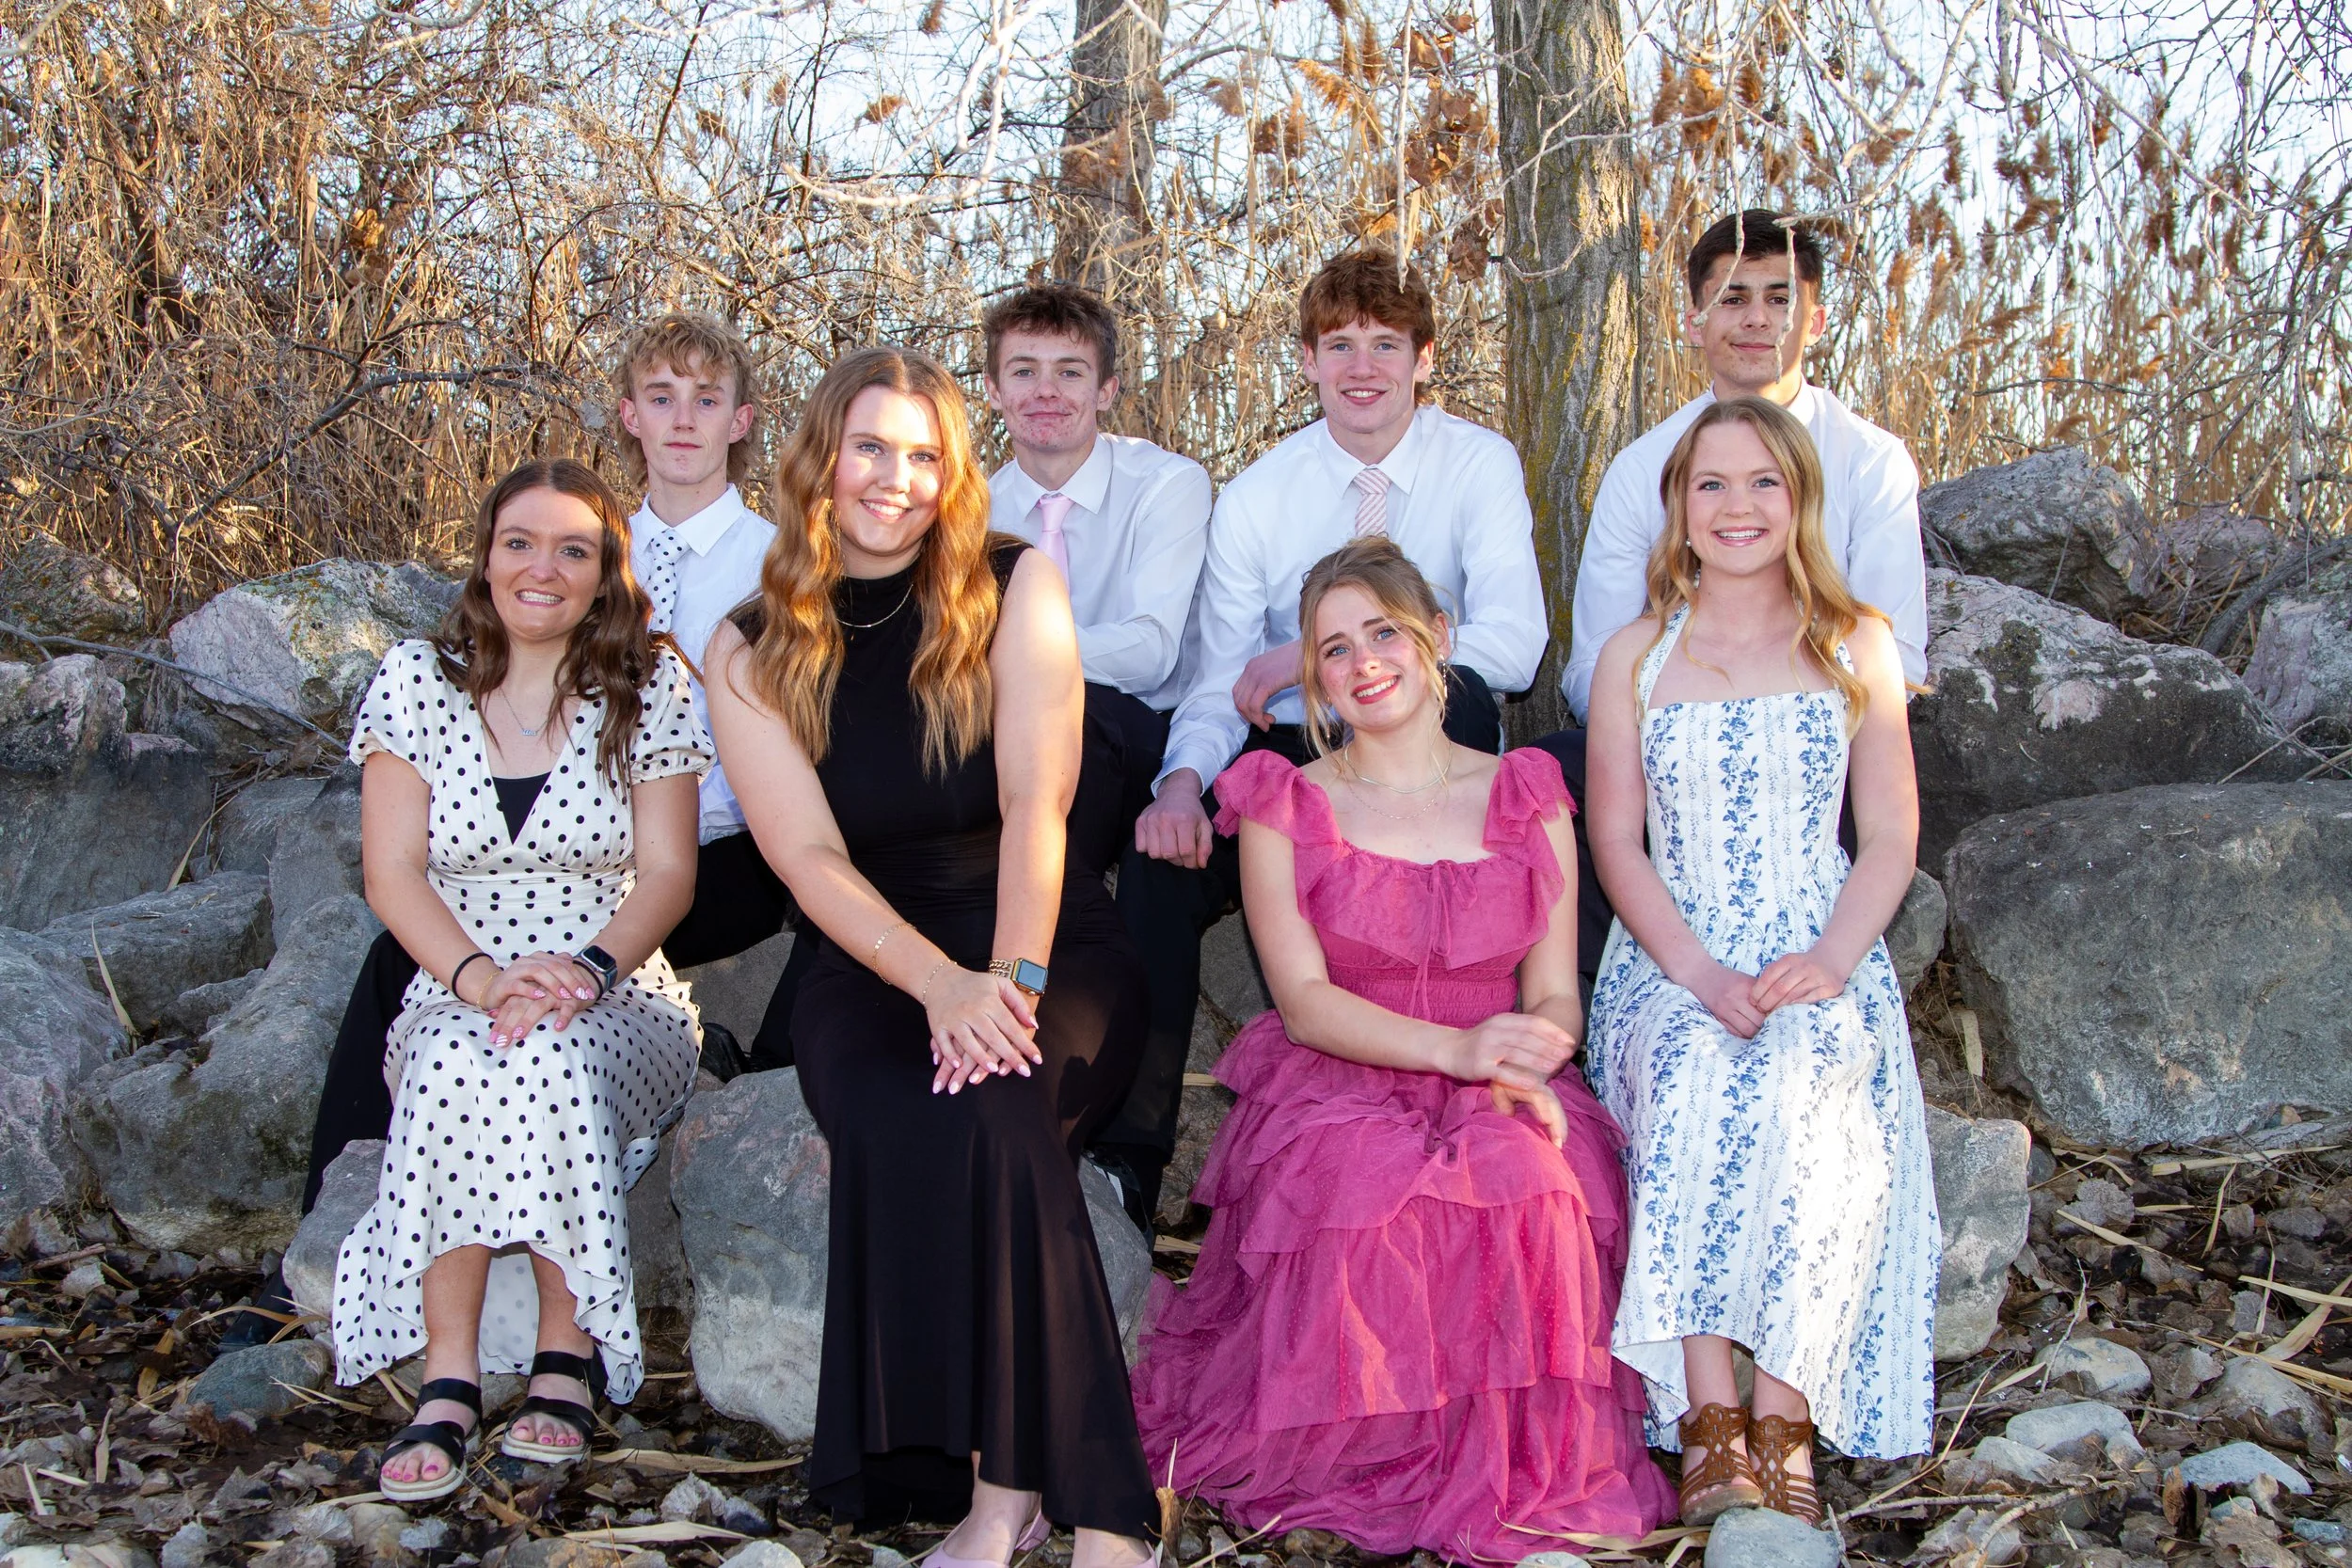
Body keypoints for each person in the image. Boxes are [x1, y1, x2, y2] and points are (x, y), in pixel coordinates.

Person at [1130, 538, 1674, 1560]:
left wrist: (1525, 1054)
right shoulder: (1285, 801)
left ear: (1438, 639)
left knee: (1535, 1184)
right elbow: (1301, 1003)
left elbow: (1555, 989)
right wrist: (1457, 1049)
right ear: (1312, 676)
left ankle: (1520, 1475)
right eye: (1333, 648)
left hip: (1500, 1066)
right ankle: (1372, 1460)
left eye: (1382, 630)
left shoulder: (1525, 792)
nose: (1362, 661)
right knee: (1360, 1185)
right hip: (1342, 1071)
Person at [703, 347, 1155, 1568]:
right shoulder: (748, 647)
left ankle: (1045, 1500)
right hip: (868, 961)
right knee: (908, 1112)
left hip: (1043, 932)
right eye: (869, 448)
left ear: (954, 471)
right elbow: (806, 860)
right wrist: (936, 987)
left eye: (923, 454)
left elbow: (1036, 801)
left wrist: (1004, 986)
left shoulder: (1017, 585)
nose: (894, 479)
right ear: (818, 459)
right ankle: (992, 1483)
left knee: (1004, 1106)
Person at [277, 312, 779, 1299]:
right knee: (407, 954)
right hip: (556, 842)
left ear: (741, 420)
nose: (681, 421)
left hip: (715, 847)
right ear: (629, 417)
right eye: (661, 399)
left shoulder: (781, 558)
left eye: (705, 399)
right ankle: (333, 1226)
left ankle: (715, 1062)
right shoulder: (578, 539)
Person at [1107, 249, 1549, 1223]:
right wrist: (1180, 783)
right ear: (1306, 360)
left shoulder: (1478, 462)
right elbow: (1225, 684)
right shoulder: (1261, 493)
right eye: (1338, 344)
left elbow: (1514, 644)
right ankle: (1128, 1167)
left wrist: (1324, 665)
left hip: (1433, 752)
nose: (1362, 366)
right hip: (1297, 764)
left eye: (1385, 344)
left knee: (1464, 696)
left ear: (1423, 357)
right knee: (1159, 862)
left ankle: (1474, 1084)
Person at [1580, 397, 1939, 1527]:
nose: (1738, 507)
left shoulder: (1855, 644)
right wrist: (1690, 968)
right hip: (1672, 952)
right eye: (1711, 486)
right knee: (1689, 1078)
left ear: (1800, 502)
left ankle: (1782, 1407)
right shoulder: (1635, 656)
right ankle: (1705, 1412)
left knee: (1805, 1077)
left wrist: (1834, 955)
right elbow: (1614, 840)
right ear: (1679, 512)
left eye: (1763, 485)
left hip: (1816, 943)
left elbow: (1886, 833)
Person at [329, 458, 711, 1501]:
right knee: (463, 1051)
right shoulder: (414, 680)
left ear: (604, 575)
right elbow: (390, 869)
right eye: (520, 542)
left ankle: (563, 1354)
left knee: (546, 1048)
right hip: (456, 975)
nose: (542, 567)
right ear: (487, 557)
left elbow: (671, 874)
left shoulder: (654, 686)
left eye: (573, 549)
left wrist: (583, 970)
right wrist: (478, 975)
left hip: (617, 984)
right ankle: (448, 1373)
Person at [1532, 210, 1931, 998]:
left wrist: (1775, 716)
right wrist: (1691, 718)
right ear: (1693, 320)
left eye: (1778, 298)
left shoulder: (1872, 460)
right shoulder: (1645, 467)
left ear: (1813, 319)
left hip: (1825, 730)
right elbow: (1593, 665)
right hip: (1672, 734)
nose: (1755, 318)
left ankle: (1823, 967)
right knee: (1558, 770)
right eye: (1732, 297)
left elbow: (1899, 658)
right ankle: (1602, 993)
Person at [981, 284, 1212, 880]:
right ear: (993, 391)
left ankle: (1054, 925)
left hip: (1135, 734)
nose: (1046, 391)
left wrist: (1011, 659)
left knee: (1080, 715)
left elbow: (1151, 654)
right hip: (1003, 731)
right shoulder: (971, 512)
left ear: (1105, 391)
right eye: (1024, 371)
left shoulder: (1166, 486)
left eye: (1071, 372)